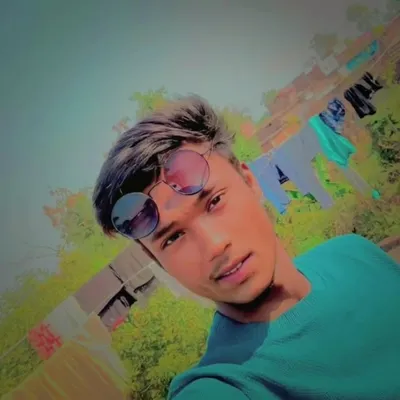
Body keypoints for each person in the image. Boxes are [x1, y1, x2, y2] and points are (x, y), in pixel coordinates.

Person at [92, 95, 400, 399]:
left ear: (250, 181)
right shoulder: (225, 386)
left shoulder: (355, 256)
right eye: (172, 238)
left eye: (214, 202)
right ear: (155, 259)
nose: (214, 246)